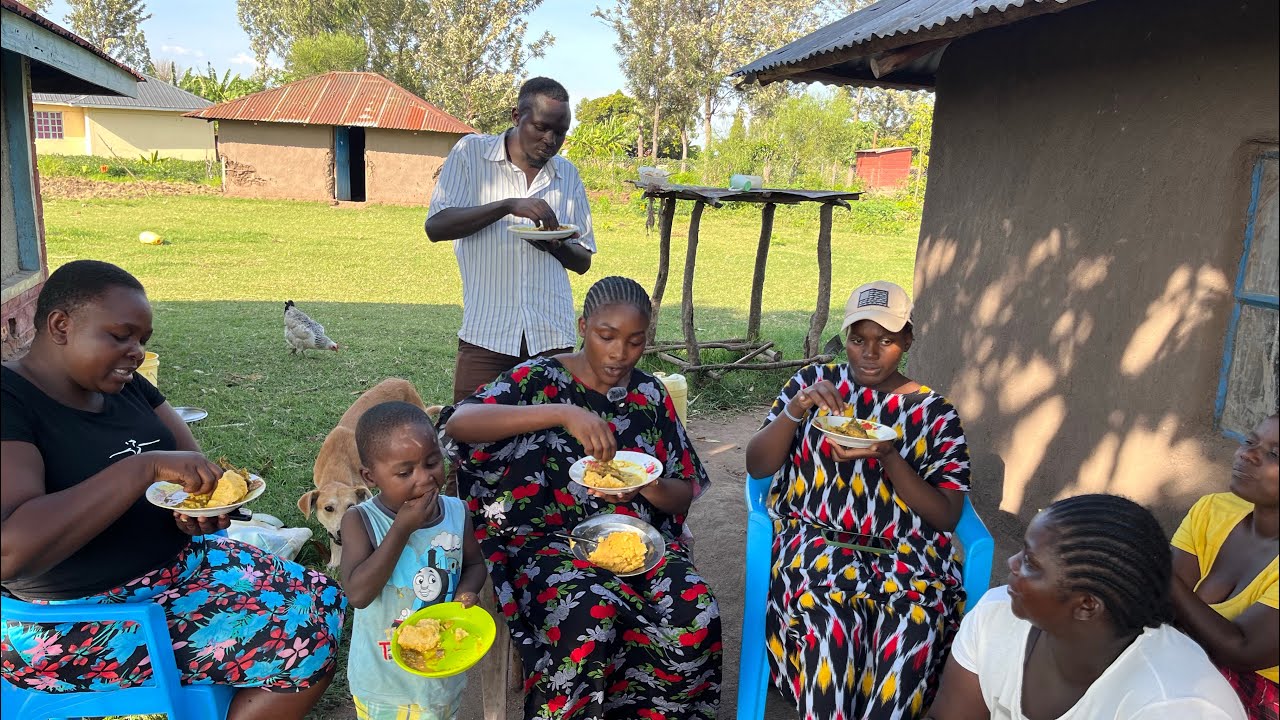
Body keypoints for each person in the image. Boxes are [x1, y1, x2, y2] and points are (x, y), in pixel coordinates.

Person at [0, 260, 346, 719]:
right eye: (120, 336)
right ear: (61, 325)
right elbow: (10, 550)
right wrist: (140, 469)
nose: (136, 352)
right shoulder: (11, 401)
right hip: (81, 619)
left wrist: (196, 513)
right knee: (308, 641)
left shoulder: (125, 387)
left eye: (141, 341)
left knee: (325, 593)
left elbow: (195, 475)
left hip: (177, 572)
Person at [441, 276, 721, 720]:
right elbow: (459, 424)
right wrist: (562, 412)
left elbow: (683, 487)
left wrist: (646, 485)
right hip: (545, 541)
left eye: (634, 342)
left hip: (634, 541)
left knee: (695, 608)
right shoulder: (540, 378)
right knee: (589, 611)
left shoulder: (649, 395)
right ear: (583, 325)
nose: (619, 353)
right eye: (606, 336)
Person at [744, 280, 971, 719]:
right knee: (827, 630)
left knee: (911, 630)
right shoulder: (814, 384)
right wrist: (796, 409)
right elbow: (757, 465)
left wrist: (888, 455)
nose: (869, 352)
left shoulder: (934, 413)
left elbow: (945, 515)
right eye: (858, 338)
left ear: (907, 338)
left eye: (885, 340)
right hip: (816, 549)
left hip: (907, 557)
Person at [926, 494, 1248, 720]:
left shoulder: (1173, 704)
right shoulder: (995, 615)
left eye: (1030, 562)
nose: (1011, 563)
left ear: (1087, 606)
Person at [425, 76, 595, 403]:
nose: (550, 140)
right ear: (517, 117)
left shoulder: (567, 174)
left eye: (560, 132)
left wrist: (556, 245)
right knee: (473, 444)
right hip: (486, 336)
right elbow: (436, 226)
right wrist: (507, 205)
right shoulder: (471, 155)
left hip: (551, 337)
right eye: (541, 127)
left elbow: (584, 260)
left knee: (551, 443)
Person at [339, 401, 488, 720]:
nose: (424, 479)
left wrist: (466, 592)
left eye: (432, 462)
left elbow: (475, 565)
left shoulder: (456, 513)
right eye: (405, 472)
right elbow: (358, 595)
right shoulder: (360, 521)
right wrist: (403, 527)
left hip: (441, 673)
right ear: (371, 476)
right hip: (384, 684)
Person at [1171, 413, 1279, 719]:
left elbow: (1243, 651)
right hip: (1191, 671)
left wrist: (1156, 571)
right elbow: (1158, 605)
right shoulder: (1212, 510)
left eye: (1274, 454)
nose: (1246, 453)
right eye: (1250, 441)